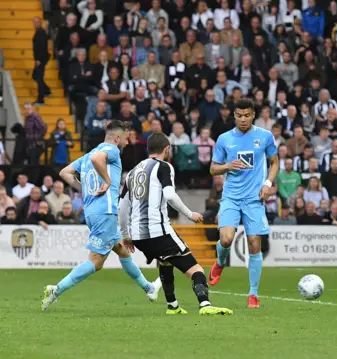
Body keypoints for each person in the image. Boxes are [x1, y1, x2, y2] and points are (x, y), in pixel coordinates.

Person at [42, 121, 161, 311]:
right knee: (96, 262)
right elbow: (98, 159)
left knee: (122, 250)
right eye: (125, 138)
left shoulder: (87, 155)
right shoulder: (110, 150)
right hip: (105, 212)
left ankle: (148, 288)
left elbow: (65, 172)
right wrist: (107, 180)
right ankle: (56, 290)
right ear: (116, 138)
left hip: (93, 212)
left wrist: (85, 190)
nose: (127, 142)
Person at [119, 133, 232, 316]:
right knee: (196, 269)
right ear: (167, 149)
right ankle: (205, 304)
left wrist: (126, 236)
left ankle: (172, 305)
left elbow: (122, 206)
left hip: (139, 236)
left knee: (165, 261)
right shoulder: (164, 167)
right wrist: (190, 214)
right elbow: (170, 195)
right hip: (158, 231)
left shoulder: (132, 172)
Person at [208, 98, 279, 308]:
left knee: (255, 243)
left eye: (247, 115)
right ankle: (220, 263)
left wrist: (267, 183)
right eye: (239, 115)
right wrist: (228, 165)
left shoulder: (265, 136)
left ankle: (253, 294)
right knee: (227, 239)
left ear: (253, 115)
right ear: (234, 116)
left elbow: (274, 163)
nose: (243, 119)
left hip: (254, 198)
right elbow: (213, 169)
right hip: (231, 196)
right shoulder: (224, 139)